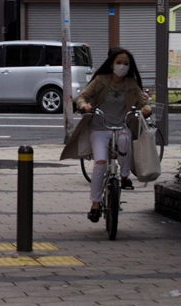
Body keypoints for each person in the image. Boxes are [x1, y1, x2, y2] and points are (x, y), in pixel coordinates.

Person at [60, 46, 151, 222]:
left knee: (125, 140)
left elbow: (144, 103)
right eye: (119, 63)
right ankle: (95, 204)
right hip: (99, 128)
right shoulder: (100, 81)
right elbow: (82, 97)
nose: (122, 66)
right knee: (100, 163)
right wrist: (84, 106)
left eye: (126, 63)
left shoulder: (132, 84)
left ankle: (124, 176)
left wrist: (146, 109)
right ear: (111, 64)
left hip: (122, 126)